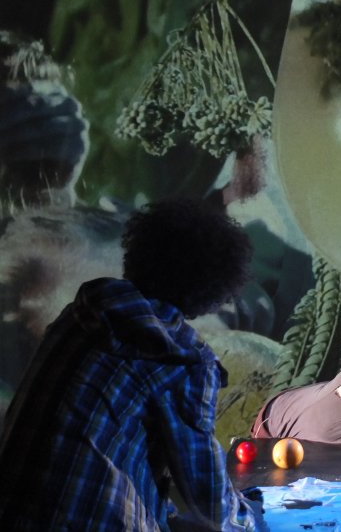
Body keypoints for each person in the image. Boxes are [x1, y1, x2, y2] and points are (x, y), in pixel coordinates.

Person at [0, 198, 267, 530]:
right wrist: (252, 518)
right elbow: (208, 495)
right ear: (217, 286)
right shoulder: (180, 356)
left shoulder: (79, 315)